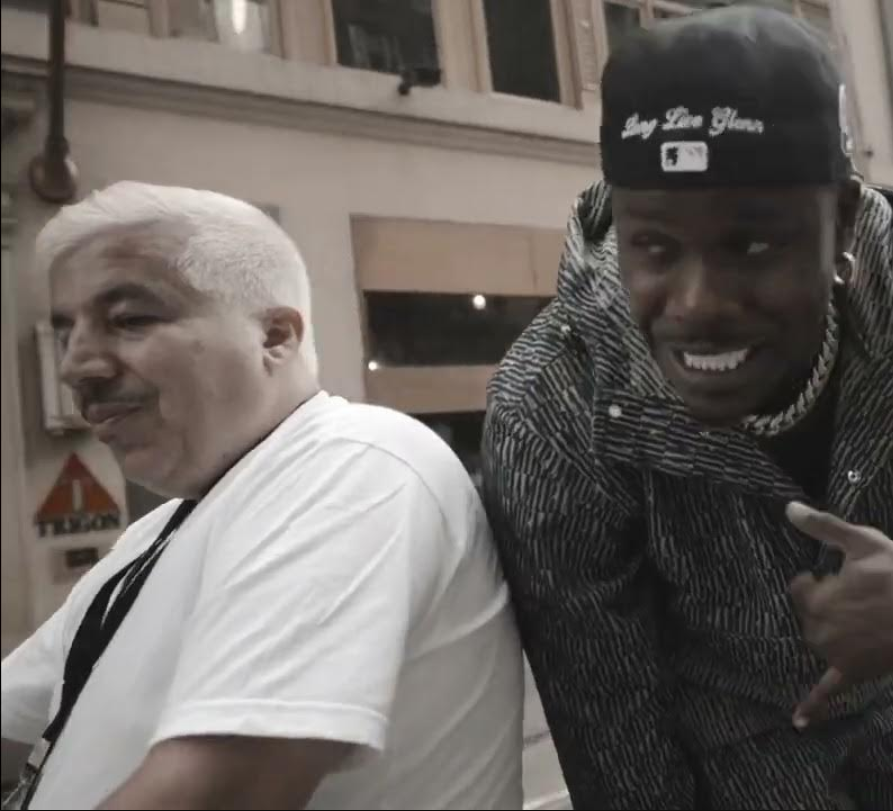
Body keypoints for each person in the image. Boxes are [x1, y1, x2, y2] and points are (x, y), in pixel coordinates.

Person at [481, 7, 893, 809]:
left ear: (842, 219)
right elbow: (615, 741)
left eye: (751, 245)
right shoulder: (555, 402)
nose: (696, 303)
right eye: (655, 247)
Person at [0, 182, 523, 810]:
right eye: (67, 332)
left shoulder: (355, 463)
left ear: (275, 336)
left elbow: (225, 791)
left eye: (130, 319)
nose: (75, 366)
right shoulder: (154, 536)